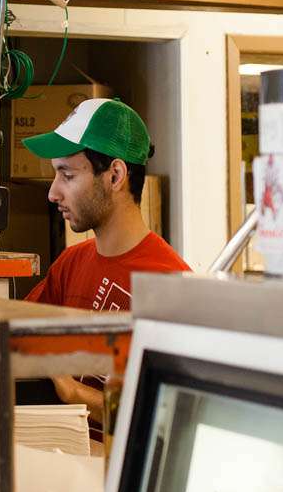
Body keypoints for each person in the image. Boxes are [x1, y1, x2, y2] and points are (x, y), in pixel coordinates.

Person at [22, 98, 191, 420]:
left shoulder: (169, 286)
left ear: (115, 175)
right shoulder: (71, 263)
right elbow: (18, 338)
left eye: (67, 175)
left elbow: (166, 416)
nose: (52, 193)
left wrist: (76, 394)